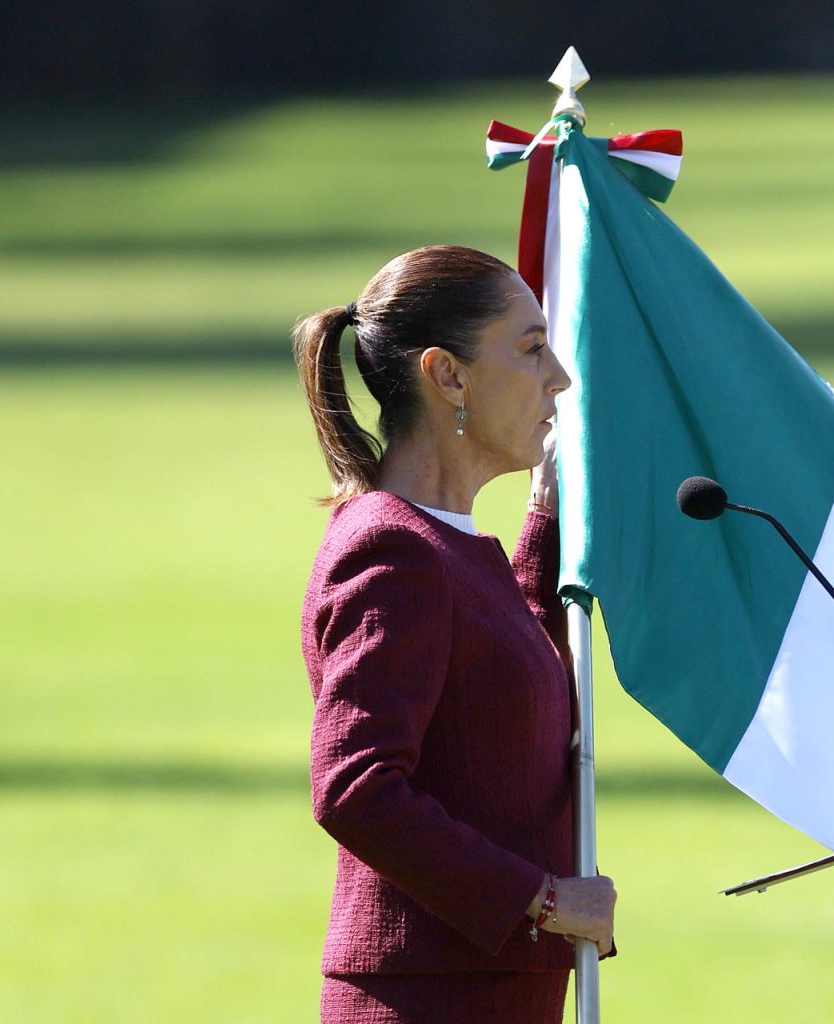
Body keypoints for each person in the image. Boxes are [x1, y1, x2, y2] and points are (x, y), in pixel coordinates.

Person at [291, 245, 615, 1024]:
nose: (560, 378)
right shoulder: (391, 549)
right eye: (532, 349)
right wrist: (538, 899)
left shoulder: (445, 544)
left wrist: (545, 524)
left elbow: (505, 701)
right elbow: (355, 788)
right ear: (447, 375)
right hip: (433, 1001)